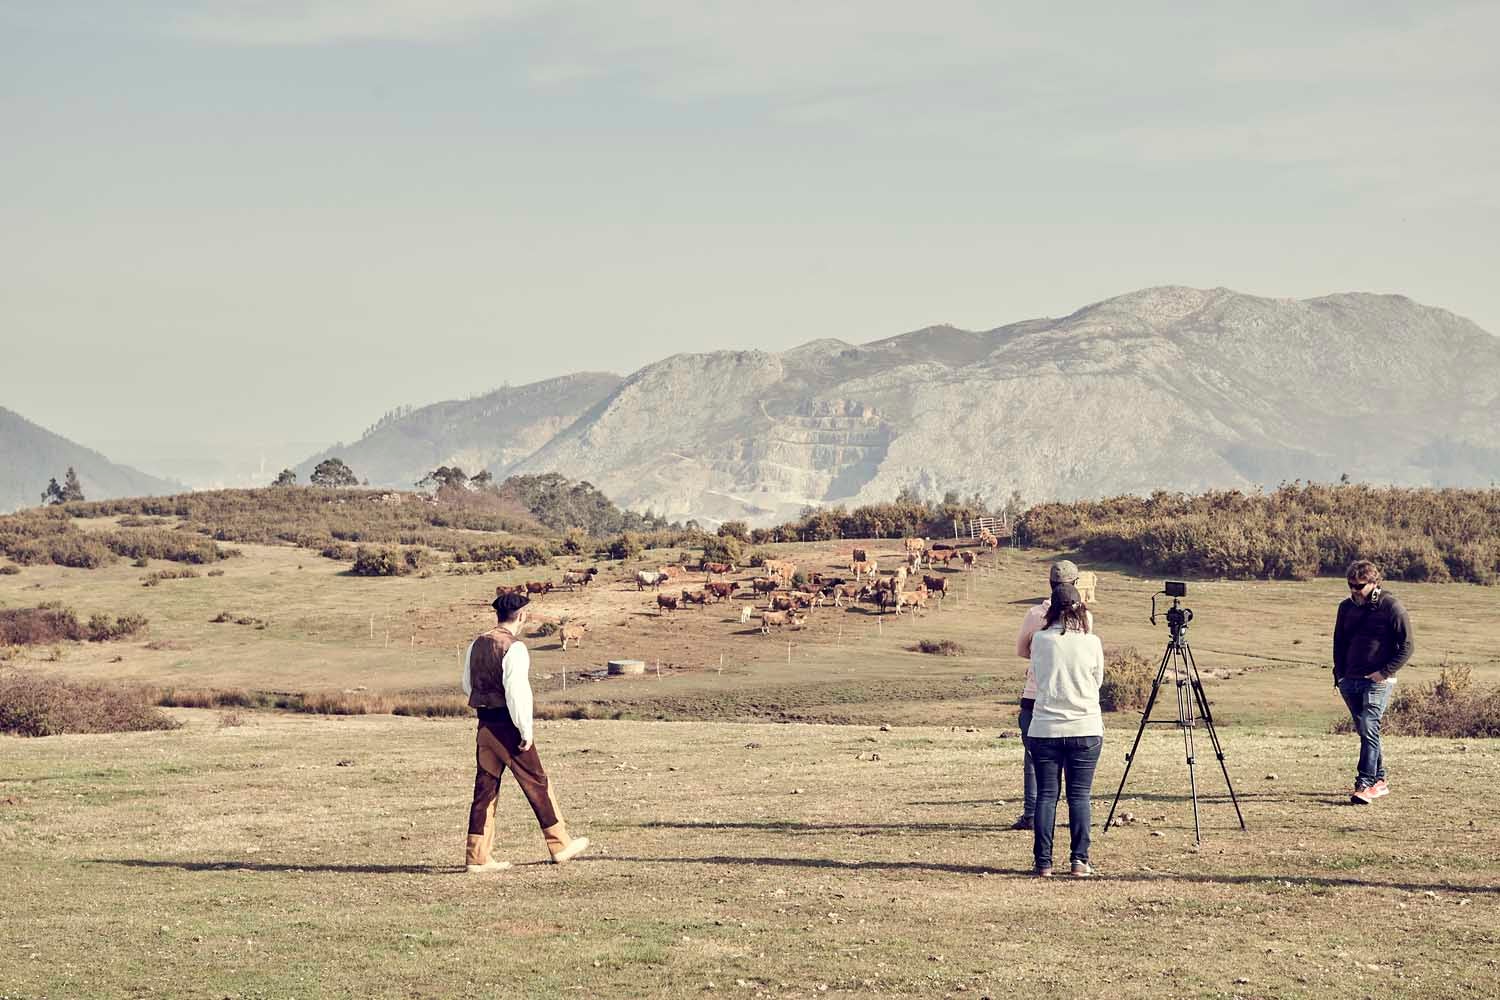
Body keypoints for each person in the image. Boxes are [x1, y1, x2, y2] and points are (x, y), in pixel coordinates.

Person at [462, 591, 590, 873]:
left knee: (485, 789)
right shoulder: (514, 648)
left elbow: (467, 686)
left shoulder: (476, 643)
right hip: (508, 726)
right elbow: (517, 693)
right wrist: (525, 729)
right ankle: (560, 844)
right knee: (537, 782)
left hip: (483, 724)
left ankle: (477, 855)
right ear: (521, 616)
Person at [1027, 582, 1104, 877]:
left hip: (1045, 726)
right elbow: (1096, 681)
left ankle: (1043, 862)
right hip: (1084, 725)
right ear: (1080, 608)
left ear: (1052, 610)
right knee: (1079, 796)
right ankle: (1079, 860)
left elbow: (1037, 673)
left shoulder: (1040, 640)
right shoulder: (1091, 641)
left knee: (1047, 795)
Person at [1012, 560, 1093, 830]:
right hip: (1071, 697)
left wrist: (1041, 660)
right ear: (1076, 584)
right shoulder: (1085, 618)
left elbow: (1022, 650)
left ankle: (1032, 813)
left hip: (1036, 693)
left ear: (1050, 584)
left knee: (1034, 759)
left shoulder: (1035, 614)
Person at [1333, 559, 1414, 805]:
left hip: (1377, 681)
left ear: (1374, 583)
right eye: (1351, 585)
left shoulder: (1391, 607)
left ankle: (1365, 783)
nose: (1354, 591)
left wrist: (1385, 672)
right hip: (1350, 680)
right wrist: (1340, 675)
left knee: (1369, 725)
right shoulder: (1345, 607)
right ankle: (1379, 780)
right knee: (1367, 732)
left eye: (1359, 586)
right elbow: (1339, 642)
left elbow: (1407, 646)